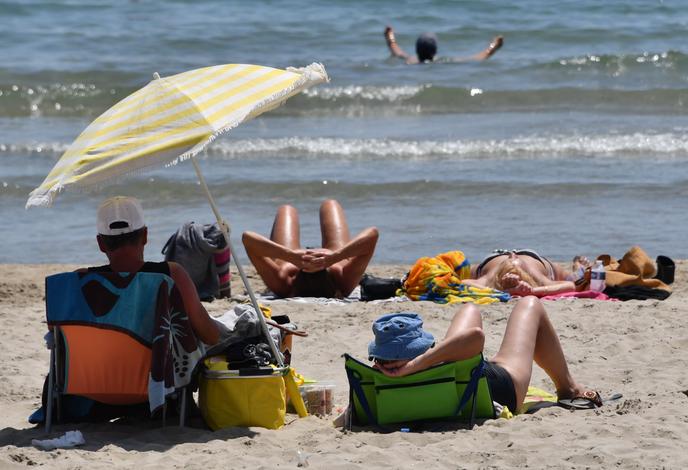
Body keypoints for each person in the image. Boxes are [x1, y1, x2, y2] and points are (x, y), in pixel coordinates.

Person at [369, 297, 603, 413]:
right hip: (500, 387)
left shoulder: (377, 377)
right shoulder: (434, 360)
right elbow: (476, 337)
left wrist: (407, 368)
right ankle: (568, 388)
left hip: (456, 379)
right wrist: (416, 364)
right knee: (530, 304)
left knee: (469, 309)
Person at [86, 196, 220, 345]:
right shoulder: (171, 274)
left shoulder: (80, 280)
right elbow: (210, 336)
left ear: (100, 244)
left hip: (100, 366)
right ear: (145, 236)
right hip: (159, 367)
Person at [242, 199, 379, 298]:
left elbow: (248, 238)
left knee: (287, 209)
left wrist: (291, 256)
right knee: (330, 204)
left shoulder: (283, 284)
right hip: (330, 255)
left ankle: (290, 251)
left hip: (293, 257)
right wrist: (335, 257)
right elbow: (372, 234)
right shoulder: (342, 282)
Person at [462, 250, 588, 297]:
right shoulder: (493, 277)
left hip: (532, 260)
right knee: (459, 270)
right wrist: (504, 292)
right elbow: (463, 283)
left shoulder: (533, 275)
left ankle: (578, 264)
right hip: (495, 259)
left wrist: (532, 290)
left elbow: (571, 285)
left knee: (577, 277)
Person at [384, 25, 503, 64]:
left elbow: (396, 51)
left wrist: (390, 38)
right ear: (435, 51)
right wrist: (492, 47)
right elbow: (477, 58)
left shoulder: (411, 60)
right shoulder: (442, 62)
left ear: (416, 49)